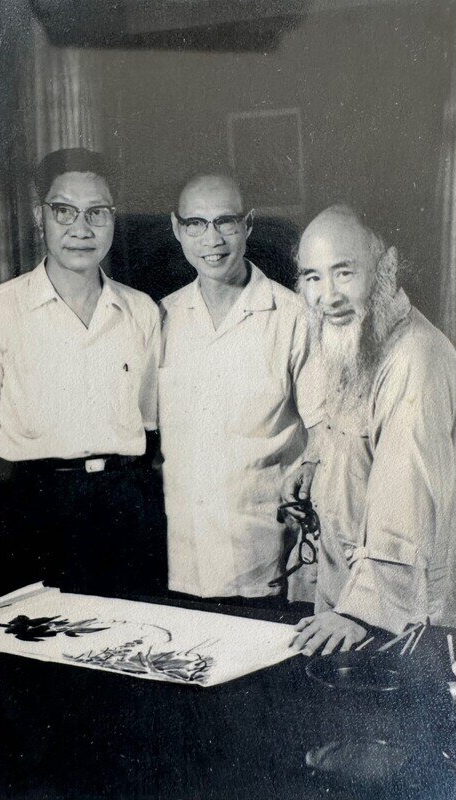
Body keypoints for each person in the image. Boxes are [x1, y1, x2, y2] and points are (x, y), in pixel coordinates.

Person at [288, 205, 456, 655]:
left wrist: (359, 612)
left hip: (402, 617)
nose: (328, 296)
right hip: (354, 607)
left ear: (387, 267)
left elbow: (406, 496)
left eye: (344, 273)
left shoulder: (415, 356)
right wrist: (314, 468)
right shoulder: (359, 338)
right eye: (313, 278)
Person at [0, 148, 165, 598]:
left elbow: (150, 420)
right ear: (39, 216)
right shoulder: (0, 310)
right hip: (32, 507)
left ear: (113, 218)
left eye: (97, 213)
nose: (81, 229)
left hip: (125, 506)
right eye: (64, 211)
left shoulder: (141, 311)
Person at [159, 174, 321, 607]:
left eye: (225, 222)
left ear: (248, 224)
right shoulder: (162, 318)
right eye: (196, 223)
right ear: (176, 228)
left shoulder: (293, 317)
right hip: (180, 561)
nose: (211, 240)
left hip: (266, 559)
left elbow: (325, 432)